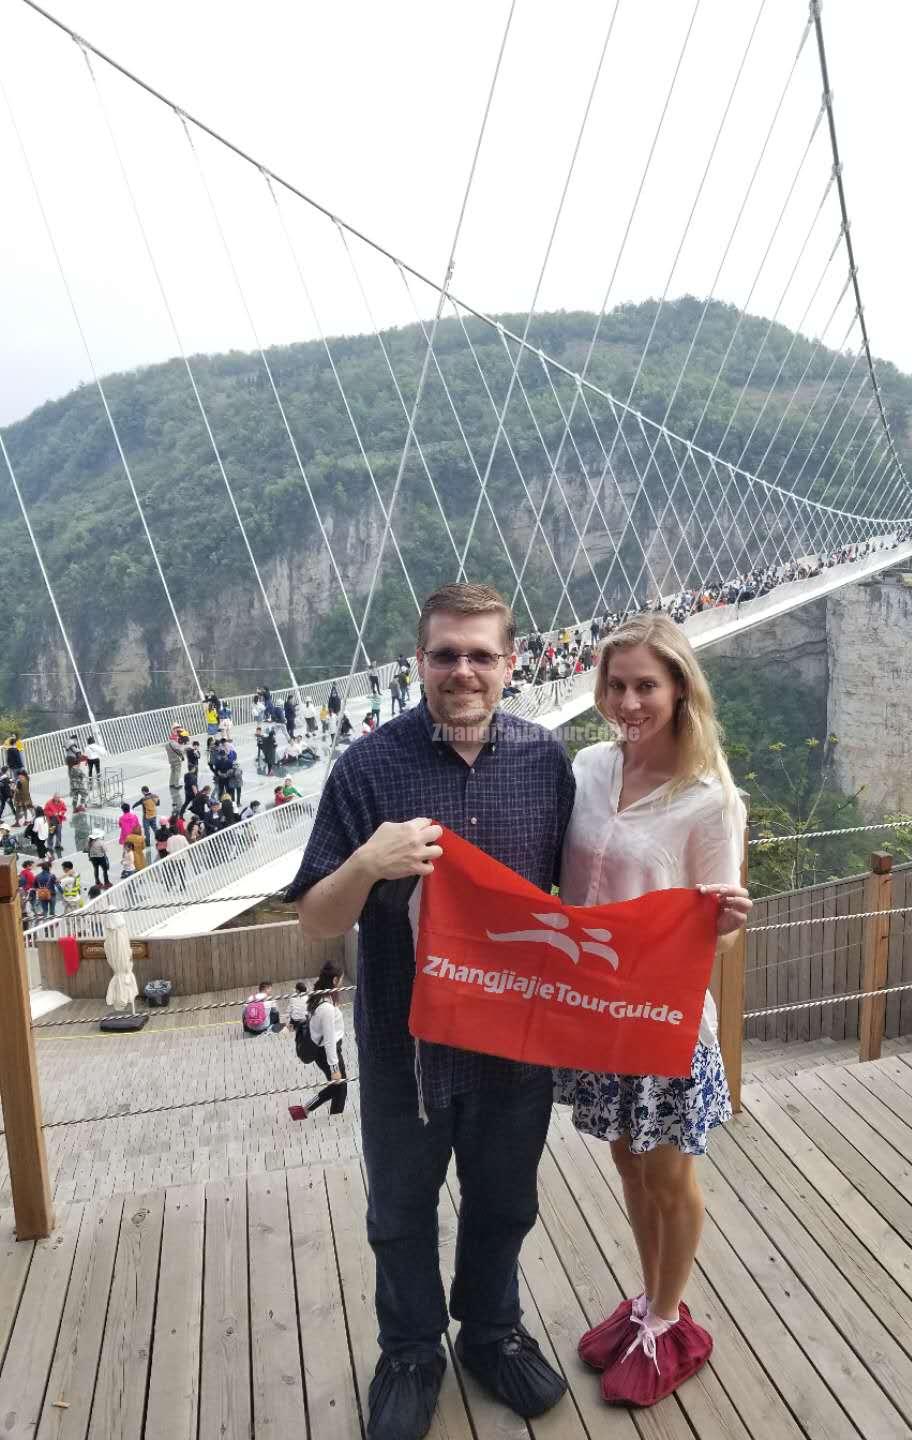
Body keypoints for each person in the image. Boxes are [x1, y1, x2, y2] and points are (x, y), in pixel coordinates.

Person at [287, 582, 575, 1440]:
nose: (462, 670)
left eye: (481, 654)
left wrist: (695, 910)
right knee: (400, 1213)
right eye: (445, 653)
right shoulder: (367, 769)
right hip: (402, 1046)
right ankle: (411, 1349)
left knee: (504, 1201)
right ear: (419, 662)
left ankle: (490, 1332)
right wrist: (368, 863)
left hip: (513, 1045)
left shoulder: (546, 761)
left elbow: (584, 899)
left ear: (510, 664)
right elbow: (314, 918)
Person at [553, 613, 752, 1407]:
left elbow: (719, 937)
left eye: (646, 685)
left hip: (664, 1015)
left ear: (679, 690)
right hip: (594, 1009)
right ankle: (646, 1298)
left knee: (669, 1171)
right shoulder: (588, 767)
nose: (628, 700)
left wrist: (730, 924)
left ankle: (669, 1320)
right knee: (627, 1158)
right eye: (616, 684)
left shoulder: (710, 799)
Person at [289, 964, 347, 1119]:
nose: (342, 984)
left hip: (324, 1051)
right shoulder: (326, 1007)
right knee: (340, 1087)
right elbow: (329, 1040)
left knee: (339, 1087)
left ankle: (306, 1110)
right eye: (340, 980)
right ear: (334, 980)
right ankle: (307, 1110)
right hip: (327, 1052)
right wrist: (334, 1068)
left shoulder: (321, 997)